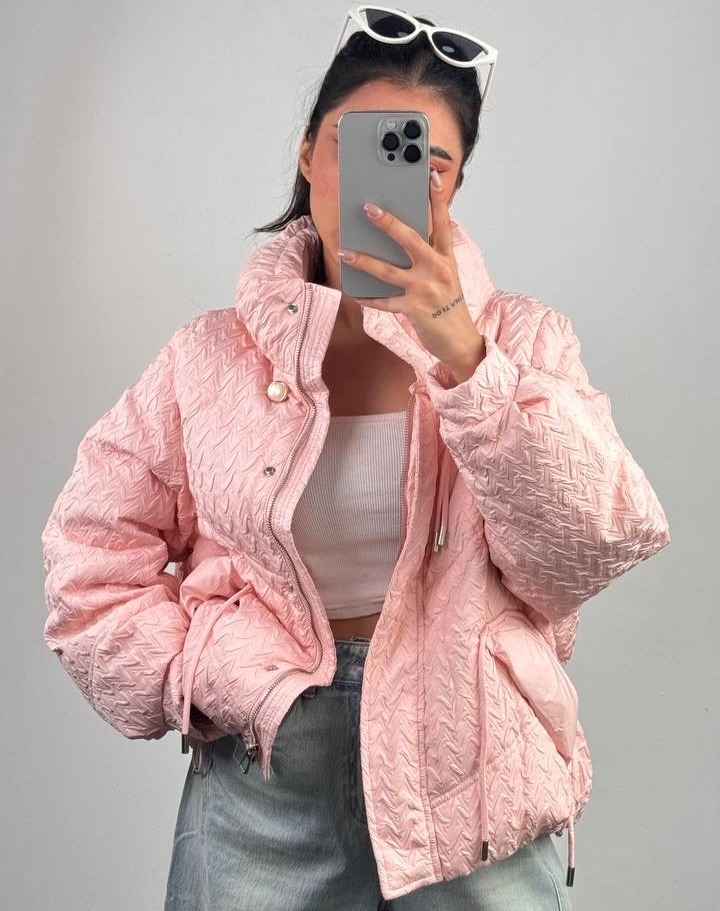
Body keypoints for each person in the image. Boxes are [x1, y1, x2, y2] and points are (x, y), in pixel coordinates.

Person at [40, 6, 671, 910]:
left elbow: (591, 545)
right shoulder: (207, 358)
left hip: (471, 775)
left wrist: (467, 359)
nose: (387, 180)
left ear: (452, 187)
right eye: (357, 143)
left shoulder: (524, 342)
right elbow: (89, 553)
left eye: (427, 160)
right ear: (308, 154)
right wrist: (198, 675)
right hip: (268, 776)